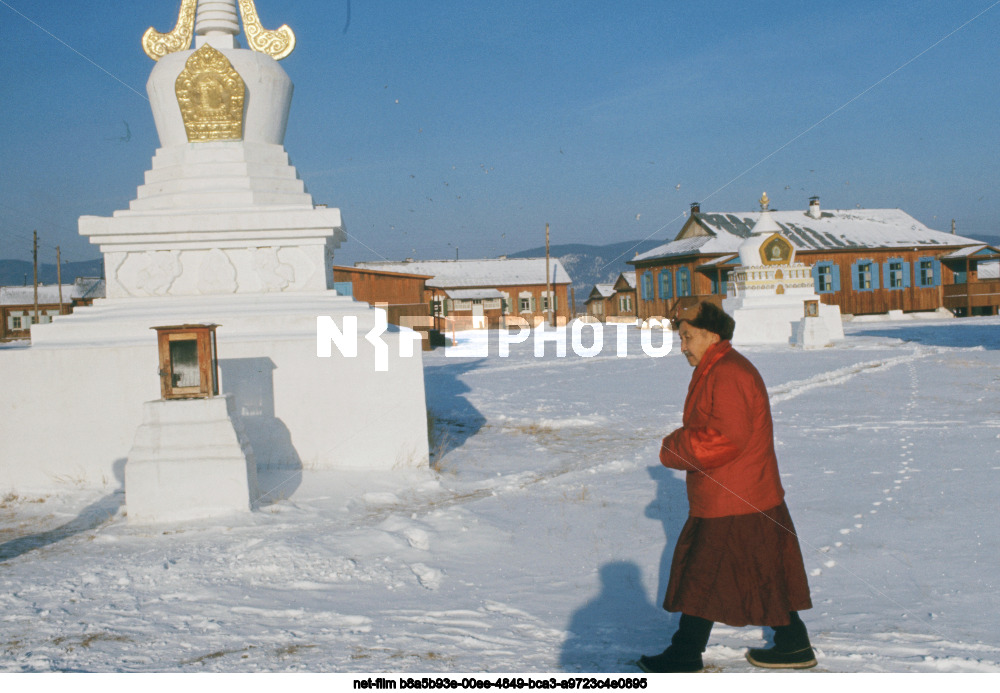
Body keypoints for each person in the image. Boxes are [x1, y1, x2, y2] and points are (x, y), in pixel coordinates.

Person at [638, 301, 815, 673]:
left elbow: (725, 438)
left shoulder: (727, 373)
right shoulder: (721, 367)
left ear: (711, 335)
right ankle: (793, 644)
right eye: (681, 337)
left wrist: (674, 448)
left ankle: (685, 653)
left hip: (731, 495)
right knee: (763, 569)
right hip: (745, 491)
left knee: (703, 575)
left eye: (687, 337)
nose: (682, 346)